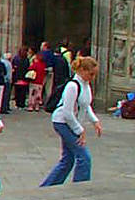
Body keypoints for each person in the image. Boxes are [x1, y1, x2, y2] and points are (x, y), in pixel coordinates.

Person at [42, 55, 101, 186]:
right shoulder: (72, 86)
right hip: (62, 122)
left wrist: (95, 121)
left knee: (68, 159)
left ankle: (48, 186)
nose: (92, 78)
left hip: (70, 122)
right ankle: (80, 186)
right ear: (83, 71)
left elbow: (86, 105)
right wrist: (79, 130)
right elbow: (67, 113)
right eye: (91, 74)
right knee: (84, 157)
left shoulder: (86, 86)